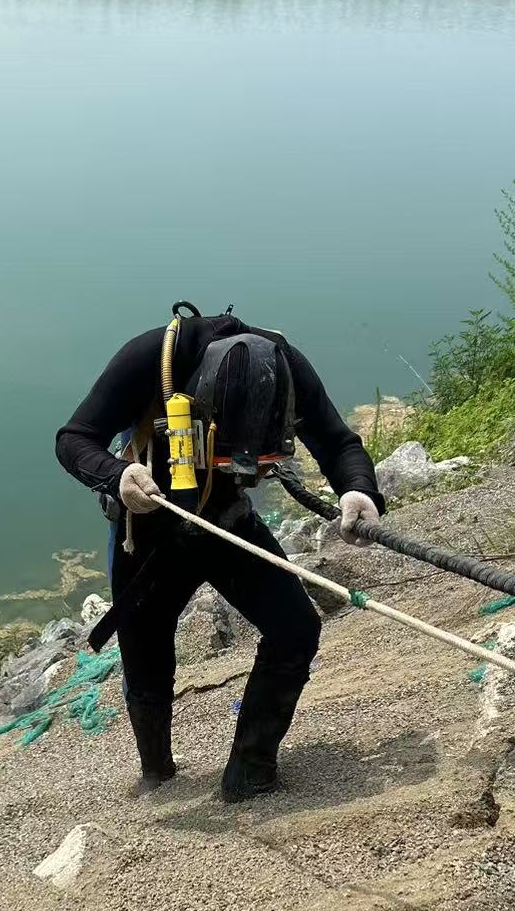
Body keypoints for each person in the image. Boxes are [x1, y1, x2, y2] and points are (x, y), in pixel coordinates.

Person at [55, 306, 384, 803]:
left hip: (228, 520)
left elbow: (338, 443)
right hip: (146, 530)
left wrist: (358, 491)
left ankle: (250, 768)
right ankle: (157, 772)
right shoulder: (154, 357)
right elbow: (73, 438)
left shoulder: (285, 366)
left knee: (296, 629)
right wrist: (116, 475)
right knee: (145, 656)